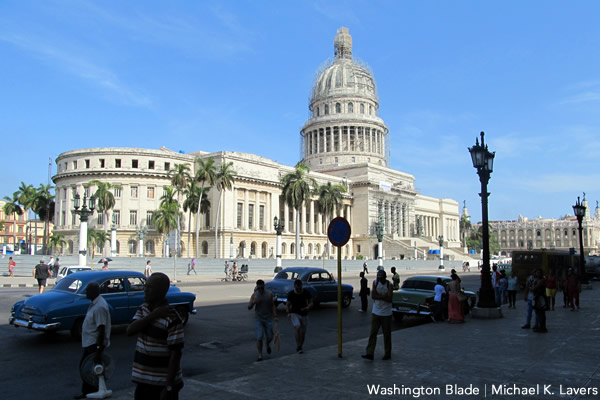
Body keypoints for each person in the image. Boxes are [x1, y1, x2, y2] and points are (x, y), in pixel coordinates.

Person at [127, 273, 185, 400]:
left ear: (161, 291)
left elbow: (176, 354)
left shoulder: (172, 318)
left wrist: (168, 387)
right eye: (145, 287)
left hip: (162, 385)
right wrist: (153, 315)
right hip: (143, 383)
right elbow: (130, 330)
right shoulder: (143, 309)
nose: (145, 291)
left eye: (150, 288)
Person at [74, 282, 111, 400]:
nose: (86, 293)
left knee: (89, 368)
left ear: (94, 292)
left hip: (94, 343)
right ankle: (89, 391)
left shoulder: (100, 306)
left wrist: (99, 349)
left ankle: (91, 391)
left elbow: (101, 329)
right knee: (88, 367)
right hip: (89, 342)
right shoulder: (95, 303)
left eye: (88, 290)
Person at [362, 269, 393, 360]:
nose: (380, 280)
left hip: (386, 313)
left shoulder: (389, 285)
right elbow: (373, 296)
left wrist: (379, 297)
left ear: (384, 278)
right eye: (379, 278)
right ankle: (369, 353)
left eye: (381, 279)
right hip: (376, 312)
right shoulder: (375, 283)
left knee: (387, 334)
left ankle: (387, 353)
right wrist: (384, 296)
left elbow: (390, 299)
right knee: (373, 333)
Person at [248, 279, 278, 361]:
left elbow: (273, 305)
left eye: (262, 288)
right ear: (257, 287)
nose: (261, 290)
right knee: (259, 337)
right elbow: (249, 307)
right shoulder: (254, 295)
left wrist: (275, 315)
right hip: (259, 319)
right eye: (259, 288)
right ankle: (260, 355)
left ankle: (267, 344)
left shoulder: (269, 294)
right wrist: (253, 302)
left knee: (270, 336)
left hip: (268, 318)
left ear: (264, 286)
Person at [286, 279, 313, 354]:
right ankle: (298, 345)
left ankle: (300, 346)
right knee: (297, 327)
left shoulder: (306, 292)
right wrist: (288, 313)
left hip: (304, 313)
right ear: (294, 286)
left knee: (303, 332)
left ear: (302, 286)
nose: (298, 290)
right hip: (294, 313)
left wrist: (308, 307)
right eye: (297, 288)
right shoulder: (291, 294)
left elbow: (311, 302)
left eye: (300, 288)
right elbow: (287, 304)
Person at [532, 268, 548, 333]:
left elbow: (536, 288)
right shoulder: (537, 280)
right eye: (537, 272)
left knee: (541, 312)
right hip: (537, 297)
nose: (538, 274)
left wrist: (532, 288)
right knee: (538, 312)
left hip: (540, 297)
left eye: (539, 272)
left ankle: (542, 327)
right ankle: (540, 326)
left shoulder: (542, 280)